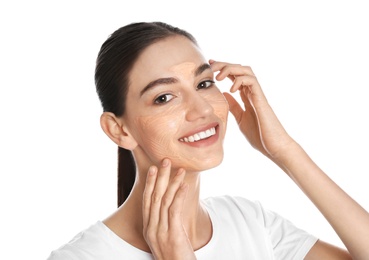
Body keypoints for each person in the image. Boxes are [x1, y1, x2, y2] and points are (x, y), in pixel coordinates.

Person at [47, 22, 369, 260]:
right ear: (119, 131)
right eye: (164, 97)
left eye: (203, 84)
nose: (202, 109)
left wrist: (284, 151)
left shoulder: (248, 221)